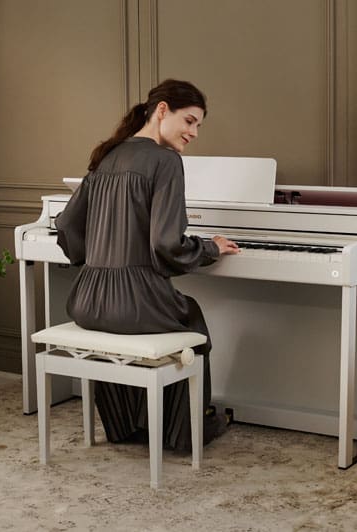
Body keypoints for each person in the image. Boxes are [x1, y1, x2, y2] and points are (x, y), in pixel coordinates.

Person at [55, 79, 240, 451]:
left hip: (87, 301)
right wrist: (211, 248)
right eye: (189, 121)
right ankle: (186, 430)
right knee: (191, 315)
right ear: (161, 110)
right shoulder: (166, 160)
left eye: (198, 126)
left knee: (155, 319)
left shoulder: (108, 154)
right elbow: (166, 243)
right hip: (133, 302)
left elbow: (66, 225)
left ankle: (124, 425)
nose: (194, 133)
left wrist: (97, 259)